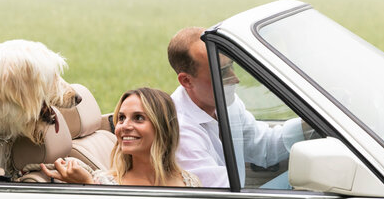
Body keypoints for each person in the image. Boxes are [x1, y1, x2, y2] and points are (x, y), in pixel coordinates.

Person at [168, 27, 302, 188]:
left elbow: (264, 147)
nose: (235, 78)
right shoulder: (180, 131)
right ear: (187, 81)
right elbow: (218, 195)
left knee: (310, 175)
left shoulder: (223, 100)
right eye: (222, 72)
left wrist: (309, 125)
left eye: (231, 66)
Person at [41, 87, 200, 187]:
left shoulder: (189, 182)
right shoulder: (101, 183)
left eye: (138, 118)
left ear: (163, 128)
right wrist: (89, 186)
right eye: (121, 118)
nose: (124, 126)